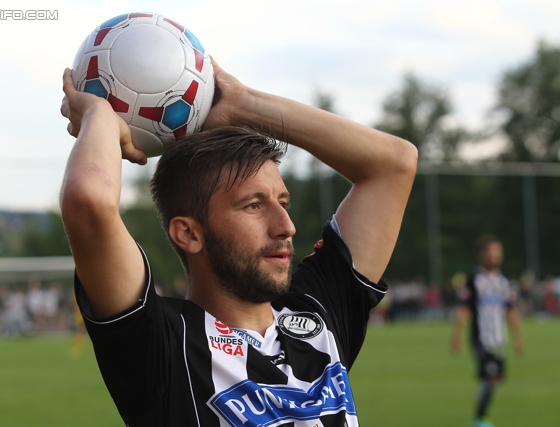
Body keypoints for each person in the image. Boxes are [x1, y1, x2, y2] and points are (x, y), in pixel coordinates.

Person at [59, 56, 417, 426]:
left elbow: (394, 164)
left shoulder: (317, 314)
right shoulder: (163, 346)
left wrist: (244, 106)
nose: (286, 226)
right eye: (253, 206)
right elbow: (89, 203)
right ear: (189, 234)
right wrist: (99, 114)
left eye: (282, 202)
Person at [451, 236, 525, 427]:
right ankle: (480, 420)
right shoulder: (473, 279)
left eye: (498, 252)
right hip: (480, 338)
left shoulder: (504, 281)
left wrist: (518, 337)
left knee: (495, 378)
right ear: (482, 255)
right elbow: (464, 309)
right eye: (491, 252)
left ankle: (481, 418)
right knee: (490, 377)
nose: (494, 256)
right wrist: (456, 335)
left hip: (499, 339)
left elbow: (510, 310)